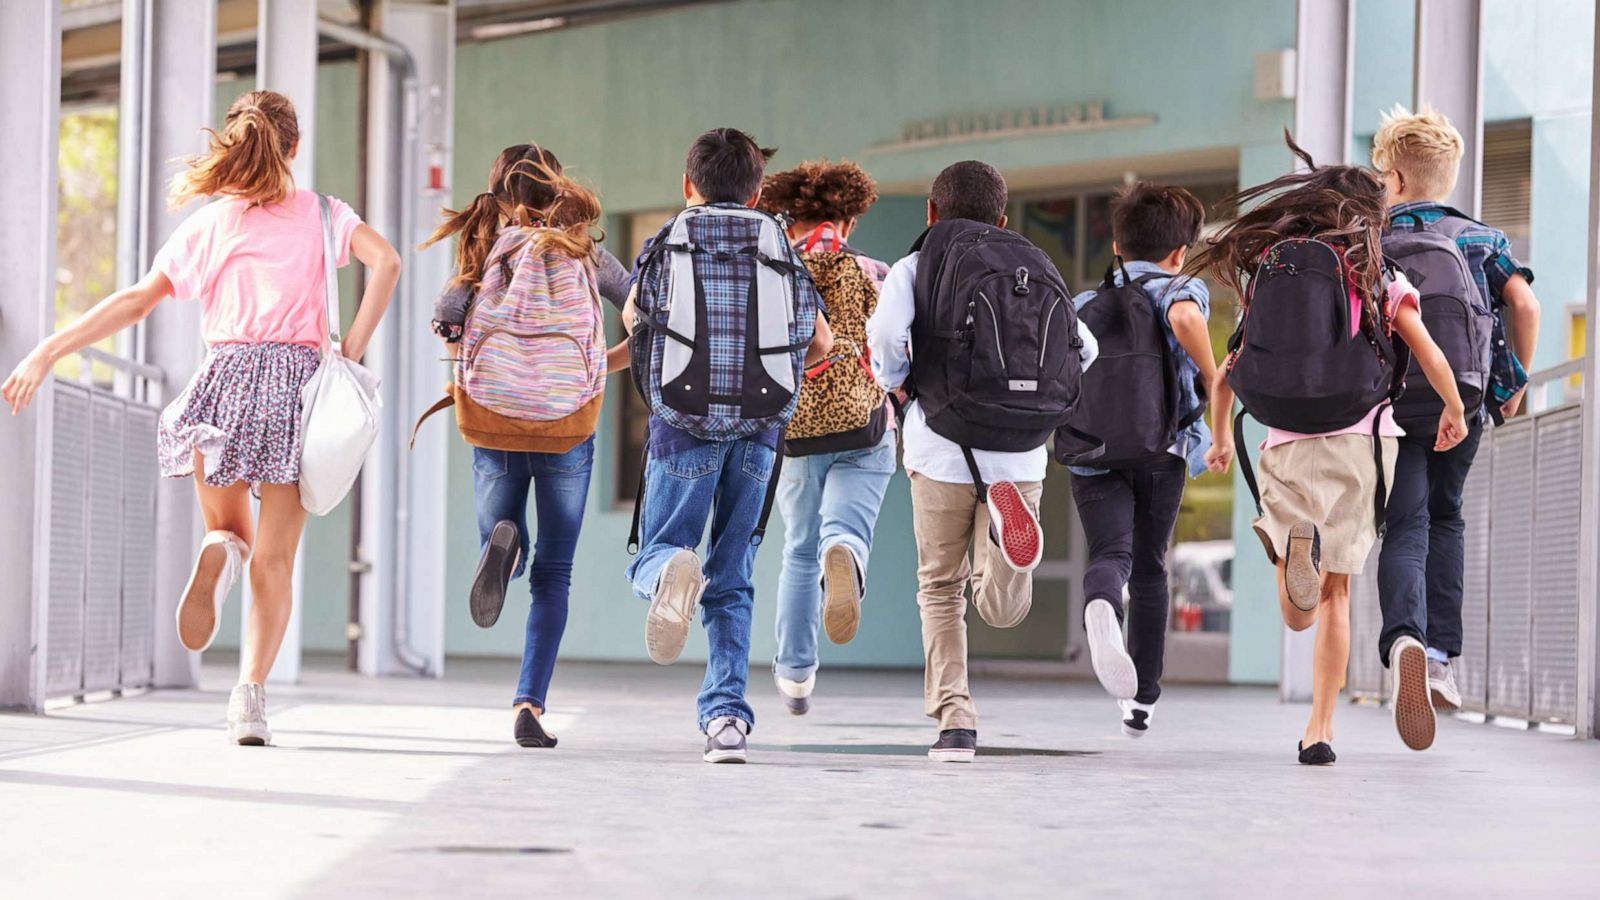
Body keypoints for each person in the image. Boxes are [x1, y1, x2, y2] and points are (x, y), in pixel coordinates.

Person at [2, 90, 399, 745]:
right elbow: (385, 261)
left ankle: (218, 551)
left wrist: (48, 348)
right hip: (297, 391)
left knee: (230, 534)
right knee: (275, 564)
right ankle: (249, 700)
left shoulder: (214, 224)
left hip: (223, 383)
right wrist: (350, 348)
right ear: (294, 148)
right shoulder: (324, 215)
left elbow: (136, 302)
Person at [1198, 136, 1467, 765]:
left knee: (1300, 610)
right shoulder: (1377, 272)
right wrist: (1452, 409)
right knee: (1339, 592)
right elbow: (1426, 350)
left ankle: (1298, 567)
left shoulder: (1273, 269)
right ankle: (1324, 726)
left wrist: (1216, 440)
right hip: (1361, 439)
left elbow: (1224, 376)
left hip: (1284, 441)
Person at [867, 160, 1099, 762]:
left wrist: (896, 382)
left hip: (940, 447)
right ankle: (1007, 549)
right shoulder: (1032, 263)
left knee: (940, 589)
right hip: (1020, 456)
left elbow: (886, 338)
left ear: (931, 213)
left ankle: (956, 720)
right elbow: (1086, 348)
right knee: (1001, 608)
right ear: (1003, 216)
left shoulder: (916, 266)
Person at [621, 128, 833, 763]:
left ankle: (667, 573)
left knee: (657, 550)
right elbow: (818, 341)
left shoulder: (669, 240)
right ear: (759, 189)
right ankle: (726, 724)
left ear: (689, 186)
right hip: (760, 429)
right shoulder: (779, 243)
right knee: (734, 571)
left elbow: (635, 320)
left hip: (681, 423)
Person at [421, 143, 631, 749]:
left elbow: (449, 322)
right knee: (556, 575)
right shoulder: (585, 250)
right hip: (568, 421)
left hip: (496, 418)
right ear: (558, 189)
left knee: (501, 531)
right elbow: (644, 311)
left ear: (500, 197)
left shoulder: (484, 251)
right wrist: (600, 366)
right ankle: (530, 705)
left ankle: (502, 549)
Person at [1371, 106, 1540, 715]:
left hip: (1388, 403)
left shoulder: (1372, 239)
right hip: (1462, 401)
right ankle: (1439, 660)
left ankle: (1404, 640)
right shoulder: (1481, 238)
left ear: (1392, 177)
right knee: (1446, 519)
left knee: (1404, 522)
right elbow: (1525, 306)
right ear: (1447, 175)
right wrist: (1512, 383)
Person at [1065, 183, 1217, 738]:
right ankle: (1142, 701)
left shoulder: (1082, 304)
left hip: (1093, 448)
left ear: (1115, 245)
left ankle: (1102, 603)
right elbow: (1183, 321)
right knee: (1152, 567)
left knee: (1112, 554)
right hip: (1161, 448)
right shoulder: (1182, 288)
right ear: (1180, 250)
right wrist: (1213, 373)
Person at [754, 160, 895, 716]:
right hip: (863, 425)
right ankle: (849, 553)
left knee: (798, 550)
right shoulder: (874, 271)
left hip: (795, 433)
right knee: (845, 530)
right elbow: (895, 352)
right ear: (851, 218)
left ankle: (794, 674)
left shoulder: (774, 273)